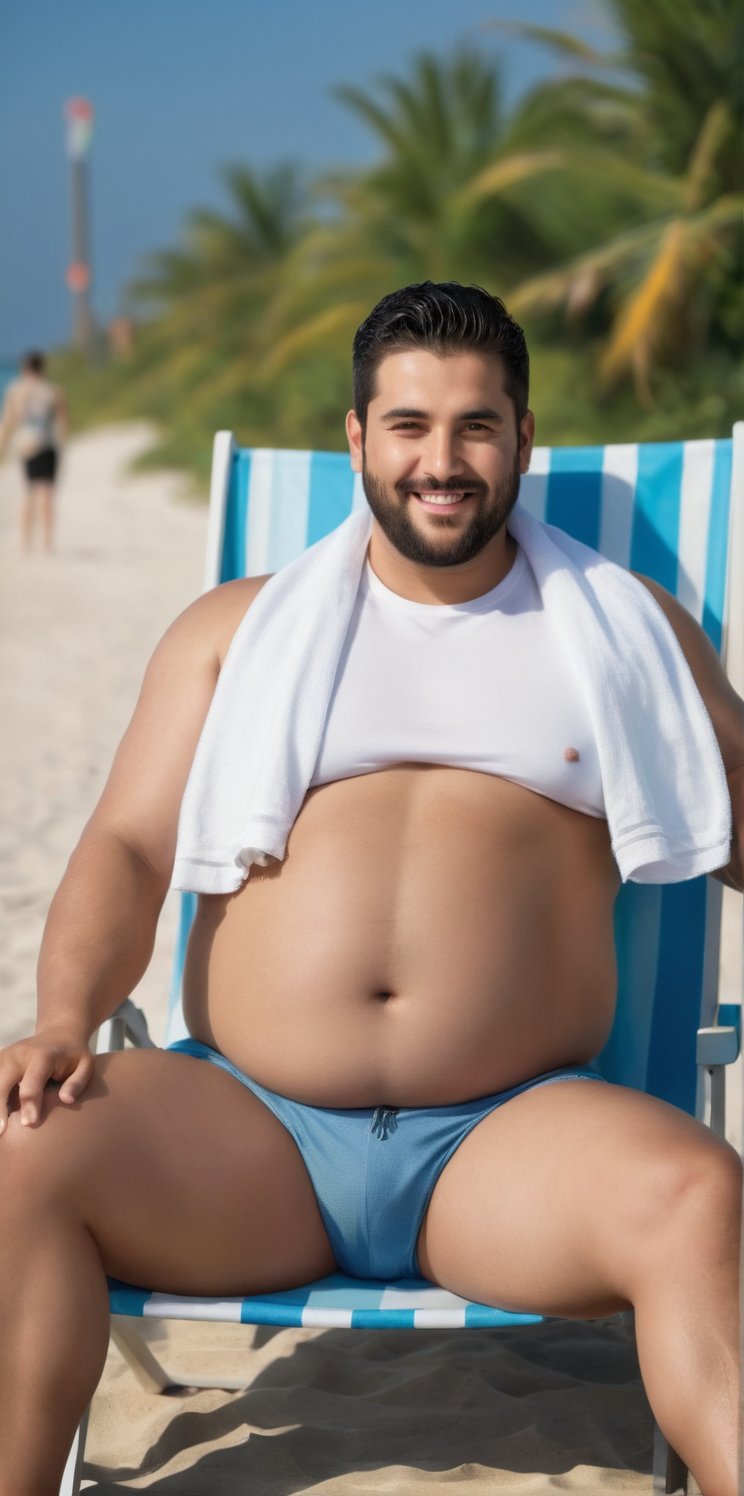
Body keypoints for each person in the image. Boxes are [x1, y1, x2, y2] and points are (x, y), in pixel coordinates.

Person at [1, 282, 742, 1496]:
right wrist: (65, 1022)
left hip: (507, 1137)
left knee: (698, 1192)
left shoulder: (619, 633)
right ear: (357, 435)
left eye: (475, 427)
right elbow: (129, 847)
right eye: (408, 426)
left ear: (523, 435)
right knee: (25, 1147)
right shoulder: (234, 633)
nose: (440, 462)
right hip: (250, 1133)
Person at [0, 351, 68, 552]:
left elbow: (8, 422)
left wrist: (2, 448)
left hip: (27, 445)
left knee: (29, 493)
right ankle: (47, 542)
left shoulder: (15, 391)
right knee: (47, 493)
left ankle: (26, 542)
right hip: (48, 445)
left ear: (25, 369)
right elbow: (63, 421)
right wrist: (62, 443)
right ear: (42, 368)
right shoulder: (52, 390)